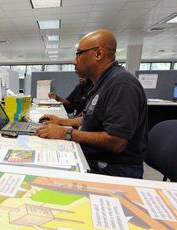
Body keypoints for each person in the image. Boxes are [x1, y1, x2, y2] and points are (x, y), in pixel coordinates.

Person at [35, 29, 148, 179]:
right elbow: (93, 121)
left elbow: (116, 141)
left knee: (44, 176)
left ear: (99, 54)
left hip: (114, 169)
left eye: (79, 54)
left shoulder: (121, 84)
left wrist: (66, 133)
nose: (75, 61)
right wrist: (61, 122)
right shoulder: (101, 84)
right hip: (99, 159)